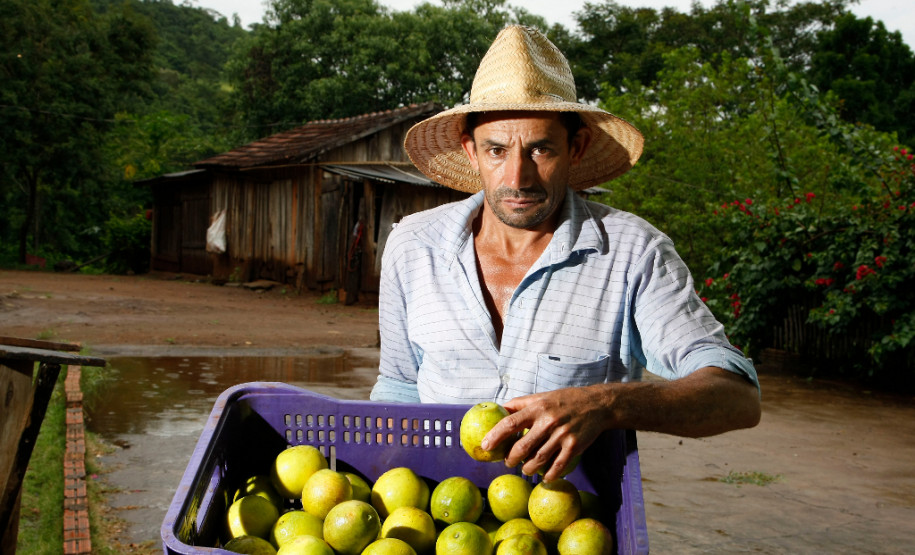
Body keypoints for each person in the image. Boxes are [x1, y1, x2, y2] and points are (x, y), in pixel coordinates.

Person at [370, 25, 760, 481]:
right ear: (470, 152)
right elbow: (397, 389)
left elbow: (736, 396)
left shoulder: (634, 253)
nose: (518, 177)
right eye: (496, 150)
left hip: (568, 521)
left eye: (540, 149)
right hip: (437, 515)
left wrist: (605, 402)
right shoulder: (413, 245)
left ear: (576, 148)